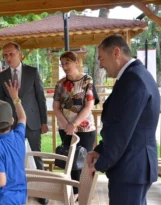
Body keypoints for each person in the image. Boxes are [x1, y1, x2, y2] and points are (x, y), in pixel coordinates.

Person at [87, 34, 160, 205]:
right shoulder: (136, 75)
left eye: (101, 58)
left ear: (116, 52)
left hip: (131, 167)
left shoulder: (133, 79)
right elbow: (122, 123)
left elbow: (122, 132)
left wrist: (99, 164)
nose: (101, 64)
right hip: (134, 165)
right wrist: (100, 150)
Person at [0, 42, 48, 170]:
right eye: (5, 55)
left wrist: (44, 122)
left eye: (11, 54)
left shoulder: (32, 72)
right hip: (11, 123)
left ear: (19, 53)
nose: (8, 58)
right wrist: (0, 123)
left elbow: (41, 98)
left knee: (36, 156)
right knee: (14, 157)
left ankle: (39, 184)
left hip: (33, 122)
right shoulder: (2, 76)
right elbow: (0, 101)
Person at [53, 51, 97, 200]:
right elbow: (56, 107)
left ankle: (85, 194)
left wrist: (74, 124)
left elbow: (89, 105)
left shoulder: (87, 80)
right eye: (62, 64)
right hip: (65, 128)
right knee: (70, 160)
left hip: (85, 128)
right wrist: (67, 126)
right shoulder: (60, 84)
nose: (64, 66)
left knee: (84, 161)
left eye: (67, 63)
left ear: (76, 62)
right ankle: (74, 194)